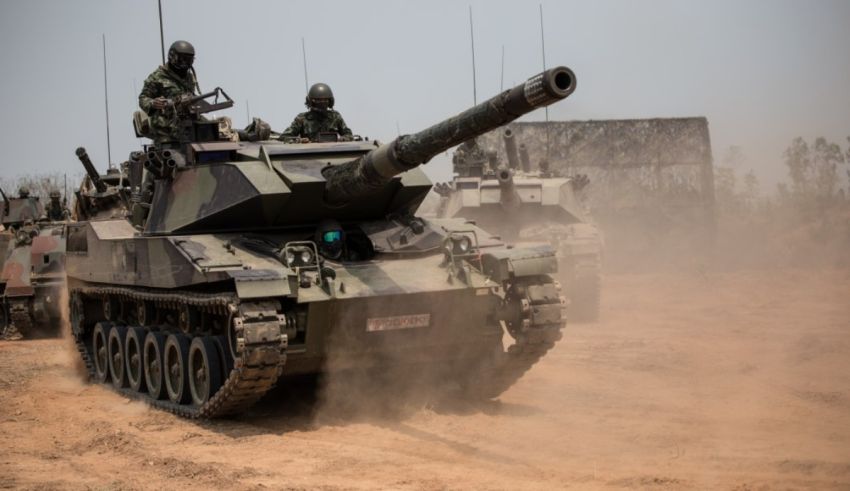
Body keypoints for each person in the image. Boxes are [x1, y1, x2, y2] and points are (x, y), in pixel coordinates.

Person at [138, 40, 200, 143]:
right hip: (166, 127)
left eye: (190, 60)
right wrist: (153, 103)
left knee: (218, 128)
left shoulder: (189, 77)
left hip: (188, 123)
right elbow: (143, 98)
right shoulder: (157, 77)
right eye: (182, 59)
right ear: (172, 57)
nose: (186, 63)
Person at [280, 83, 352, 142]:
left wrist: (344, 138)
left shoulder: (335, 117)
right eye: (318, 100)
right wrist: (299, 140)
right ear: (310, 102)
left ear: (330, 102)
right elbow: (285, 137)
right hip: (309, 154)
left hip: (332, 152)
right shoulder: (302, 119)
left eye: (325, 100)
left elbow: (348, 134)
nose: (322, 103)